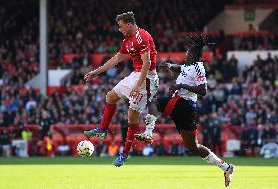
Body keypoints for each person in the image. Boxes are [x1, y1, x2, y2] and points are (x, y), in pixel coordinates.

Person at [135, 32, 235, 187]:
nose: (186, 55)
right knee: (193, 146)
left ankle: (148, 132)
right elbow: (178, 68)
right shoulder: (188, 66)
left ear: (194, 55)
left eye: (188, 53)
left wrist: (181, 85)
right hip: (184, 107)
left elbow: (203, 90)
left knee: (154, 102)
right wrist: (167, 65)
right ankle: (225, 167)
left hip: (184, 103)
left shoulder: (198, 67)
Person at [83, 11, 159, 167]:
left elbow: (147, 63)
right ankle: (102, 129)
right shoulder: (128, 40)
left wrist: (138, 85)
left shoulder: (141, 37)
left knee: (132, 117)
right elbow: (117, 58)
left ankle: (124, 154)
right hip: (135, 75)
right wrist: (96, 72)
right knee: (110, 96)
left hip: (147, 79)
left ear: (129, 24)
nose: (119, 29)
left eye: (121, 26)